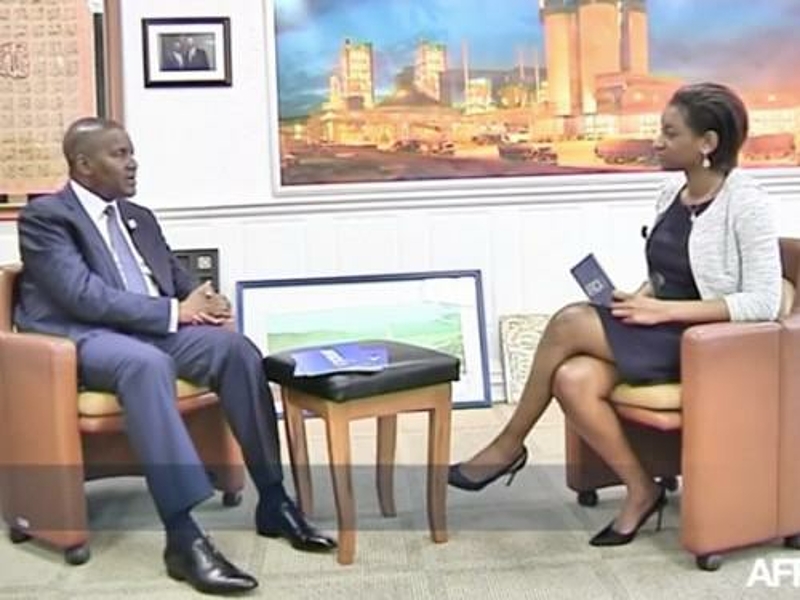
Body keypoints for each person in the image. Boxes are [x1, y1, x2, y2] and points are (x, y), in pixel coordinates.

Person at [448, 82, 782, 546]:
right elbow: (667, 274)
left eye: (670, 133)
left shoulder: (748, 204)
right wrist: (637, 298)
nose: (657, 142)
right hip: (660, 327)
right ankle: (641, 490)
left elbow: (764, 302)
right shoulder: (672, 193)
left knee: (570, 321)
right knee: (573, 379)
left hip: (705, 346)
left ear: (707, 143)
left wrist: (662, 311)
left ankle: (508, 446)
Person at [15, 117, 337, 595]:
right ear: (83, 164)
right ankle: (184, 538)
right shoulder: (46, 218)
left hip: (152, 329)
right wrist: (174, 311)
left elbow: (171, 276)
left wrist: (204, 300)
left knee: (235, 350)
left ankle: (274, 499)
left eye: (131, 152)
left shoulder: (138, 216)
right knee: (146, 365)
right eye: (119, 154)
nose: (133, 163)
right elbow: (81, 295)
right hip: (86, 337)